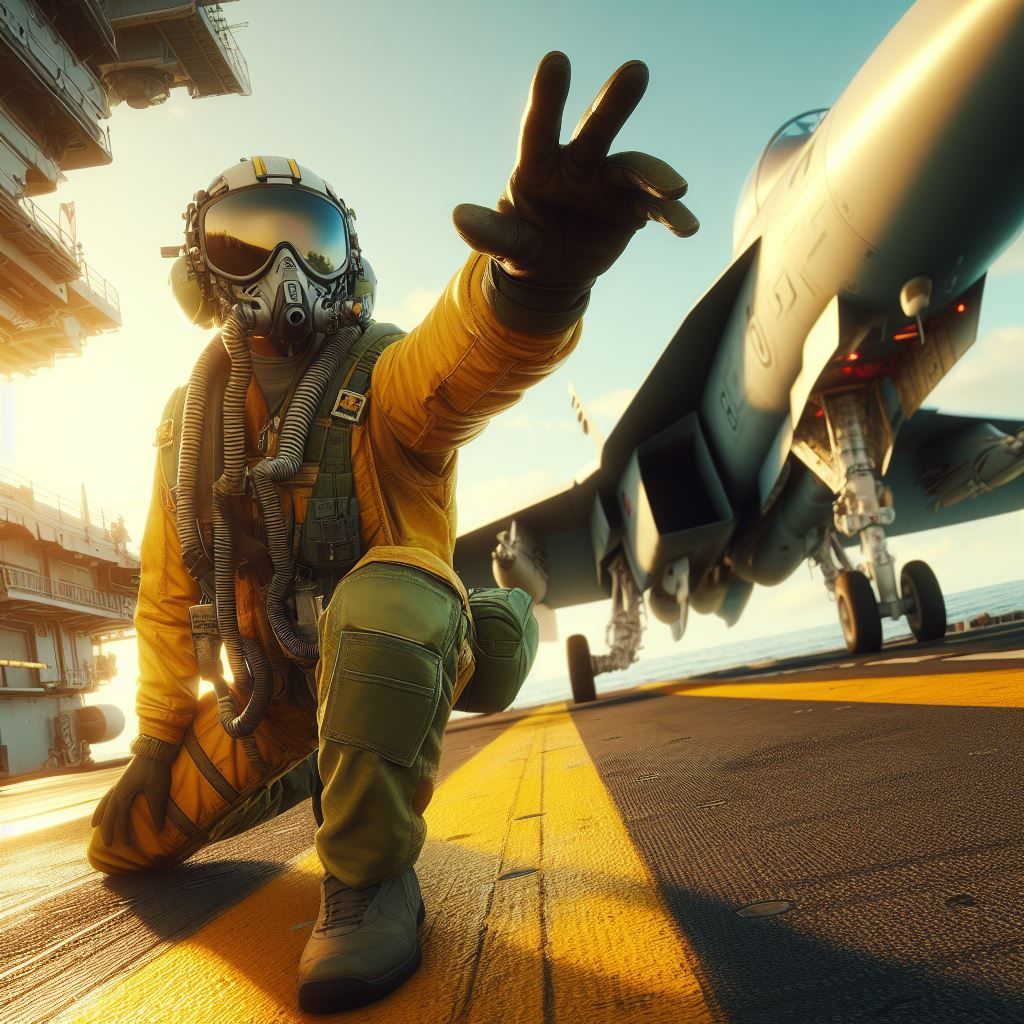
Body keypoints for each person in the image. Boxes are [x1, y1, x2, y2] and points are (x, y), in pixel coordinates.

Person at [87, 52, 698, 1014]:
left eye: (310, 241)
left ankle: (371, 882)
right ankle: (328, 753)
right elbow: (167, 592)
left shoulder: (388, 378)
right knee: (121, 840)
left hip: (378, 638)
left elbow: (468, 357)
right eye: (248, 241)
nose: (285, 268)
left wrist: (529, 281)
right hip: (274, 691)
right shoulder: (189, 423)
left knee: (382, 603)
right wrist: (162, 733)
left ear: (349, 263)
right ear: (202, 272)